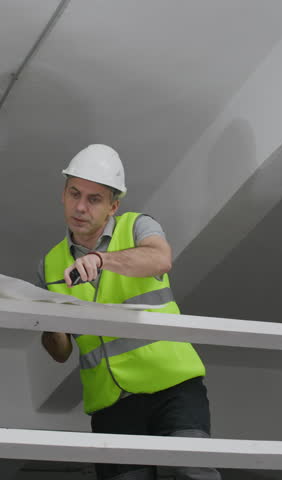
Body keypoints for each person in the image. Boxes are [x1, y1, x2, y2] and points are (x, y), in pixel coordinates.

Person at [37, 144, 221, 480]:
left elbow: (160, 259)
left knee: (193, 474)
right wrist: (50, 325)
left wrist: (101, 260)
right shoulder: (49, 264)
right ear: (63, 193)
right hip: (111, 403)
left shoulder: (137, 226)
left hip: (173, 385)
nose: (80, 207)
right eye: (74, 193)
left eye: (94, 199)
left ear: (113, 206)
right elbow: (60, 351)